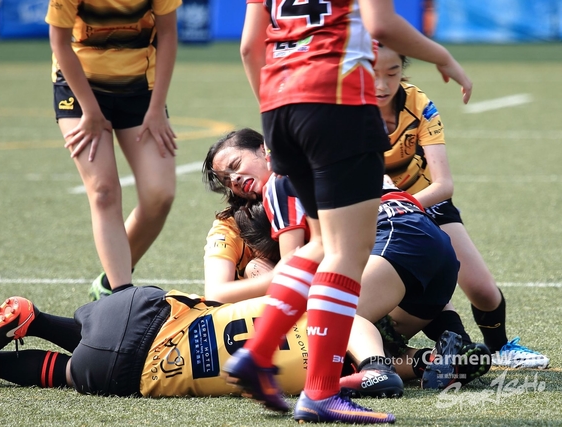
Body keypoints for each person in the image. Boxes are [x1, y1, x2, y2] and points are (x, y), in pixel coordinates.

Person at [224, 0, 472, 422]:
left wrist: (277, 109)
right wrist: (443, 56)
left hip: (278, 105)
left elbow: (250, 46)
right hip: (336, 102)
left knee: (322, 244)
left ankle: (259, 353)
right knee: (346, 253)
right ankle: (317, 392)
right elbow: (382, 24)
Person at [204, 129, 490, 392]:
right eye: (226, 180)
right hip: (432, 249)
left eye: (235, 165)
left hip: (395, 233)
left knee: (330, 310)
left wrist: (264, 286)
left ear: (263, 148)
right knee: (366, 334)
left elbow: (293, 266)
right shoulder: (323, 153)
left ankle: (376, 370)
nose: (234, 180)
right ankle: (449, 354)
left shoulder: (278, 181)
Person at [0, 286, 395, 417]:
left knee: (87, 335)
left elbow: (381, 360)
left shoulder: (309, 305)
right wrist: (374, 371)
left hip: (141, 305)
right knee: (70, 373)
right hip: (137, 364)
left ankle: (30, 320)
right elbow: (384, 372)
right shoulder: (336, 352)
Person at [373, 42, 550, 369]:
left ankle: (499, 347)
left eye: (392, 72)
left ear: (403, 70)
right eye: (372, 74)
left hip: (425, 200)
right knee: (412, 281)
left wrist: (401, 206)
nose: (382, 84)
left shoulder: (418, 103)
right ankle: (448, 350)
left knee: (482, 290)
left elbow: (444, 184)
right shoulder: (342, 110)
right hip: (368, 213)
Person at [46, 0, 180, 299]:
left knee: (160, 195)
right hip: (79, 89)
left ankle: (108, 283)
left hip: (141, 88)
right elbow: (59, 42)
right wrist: (91, 110)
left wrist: (157, 107)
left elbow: (168, 33)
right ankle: (120, 297)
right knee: (104, 192)